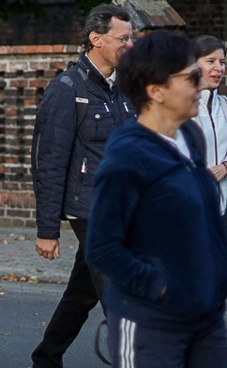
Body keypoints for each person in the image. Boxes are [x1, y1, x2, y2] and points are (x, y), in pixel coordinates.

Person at [86, 31, 227, 367]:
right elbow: (102, 248)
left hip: (206, 319)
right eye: (190, 77)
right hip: (152, 324)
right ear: (156, 91)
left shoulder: (189, 136)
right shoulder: (127, 157)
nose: (200, 84)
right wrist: (161, 287)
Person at [30, 4, 137, 368]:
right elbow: (49, 162)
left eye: (132, 38)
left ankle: (46, 358)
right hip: (90, 208)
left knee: (83, 292)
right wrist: (47, 230)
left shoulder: (124, 88)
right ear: (96, 40)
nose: (130, 45)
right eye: (123, 38)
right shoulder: (67, 89)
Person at [193, 35, 227, 226]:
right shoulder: (180, 109)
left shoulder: (225, 106)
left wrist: (225, 167)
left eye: (222, 62)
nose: (218, 68)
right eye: (210, 61)